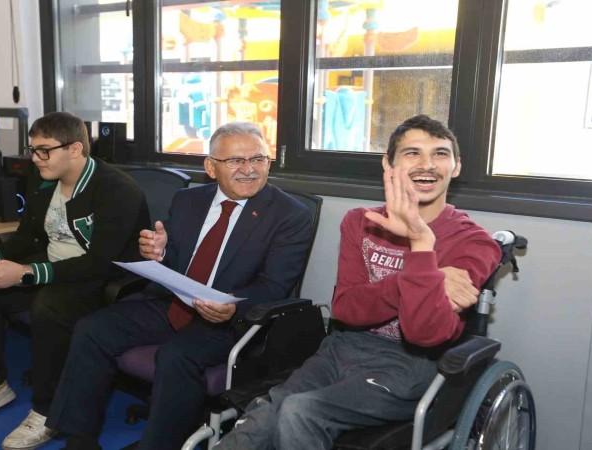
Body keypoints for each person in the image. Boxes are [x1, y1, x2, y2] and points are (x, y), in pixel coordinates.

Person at [215, 115, 502, 450]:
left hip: (411, 366)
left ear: (456, 166)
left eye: (440, 154)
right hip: (343, 349)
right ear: (389, 164)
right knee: (262, 416)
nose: (427, 165)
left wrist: (421, 245)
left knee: (300, 412)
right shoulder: (361, 222)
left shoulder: (475, 244)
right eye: (412, 153)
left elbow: (425, 334)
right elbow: (347, 310)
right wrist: (420, 279)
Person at [45, 122, 313, 450]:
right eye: (235, 161)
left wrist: (231, 306)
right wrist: (159, 252)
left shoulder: (289, 215)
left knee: (176, 356)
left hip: (230, 319)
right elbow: (174, 256)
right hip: (174, 303)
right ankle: (79, 439)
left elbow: (274, 286)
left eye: (259, 159)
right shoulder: (189, 200)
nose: (249, 169)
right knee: (92, 329)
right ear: (211, 167)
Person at [0, 112, 149, 450]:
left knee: (49, 305)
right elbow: (26, 238)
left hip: (101, 282)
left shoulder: (117, 190)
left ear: (75, 149)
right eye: (33, 150)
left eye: (44, 150)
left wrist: (26, 273)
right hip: (53, 268)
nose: (36, 158)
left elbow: (101, 263)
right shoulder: (43, 180)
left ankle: (48, 411)